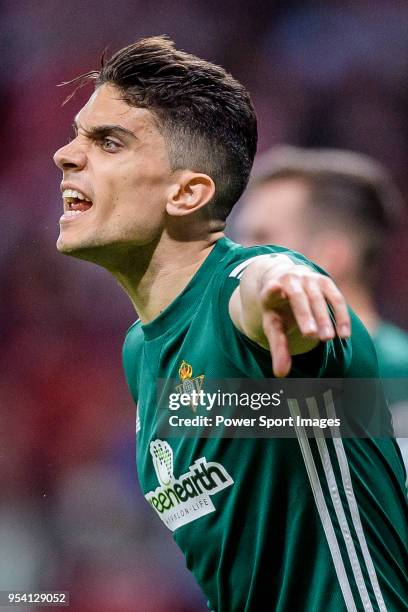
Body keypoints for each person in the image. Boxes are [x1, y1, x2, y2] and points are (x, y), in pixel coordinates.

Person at [54, 37, 407, 611]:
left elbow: (263, 284)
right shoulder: (141, 351)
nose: (65, 155)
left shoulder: (249, 293)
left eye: (108, 142)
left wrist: (281, 281)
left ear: (188, 192)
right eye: (76, 136)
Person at [237, 145, 408, 472]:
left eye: (261, 237)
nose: (236, 257)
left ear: (332, 256)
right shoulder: (248, 371)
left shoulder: (396, 376)